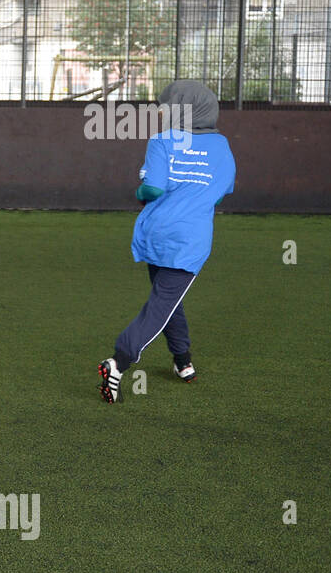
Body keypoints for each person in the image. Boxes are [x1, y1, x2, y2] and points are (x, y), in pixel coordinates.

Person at [98, 79, 236, 404]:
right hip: (189, 240)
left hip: (156, 234)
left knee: (168, 299)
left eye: (165, 106)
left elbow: (152, 190)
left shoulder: (162, 141)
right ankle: (119, 361)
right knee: (163, 302)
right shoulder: (222, 146)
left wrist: (139, 191)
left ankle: (182, 361)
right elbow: (223, 190)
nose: (160, 111)